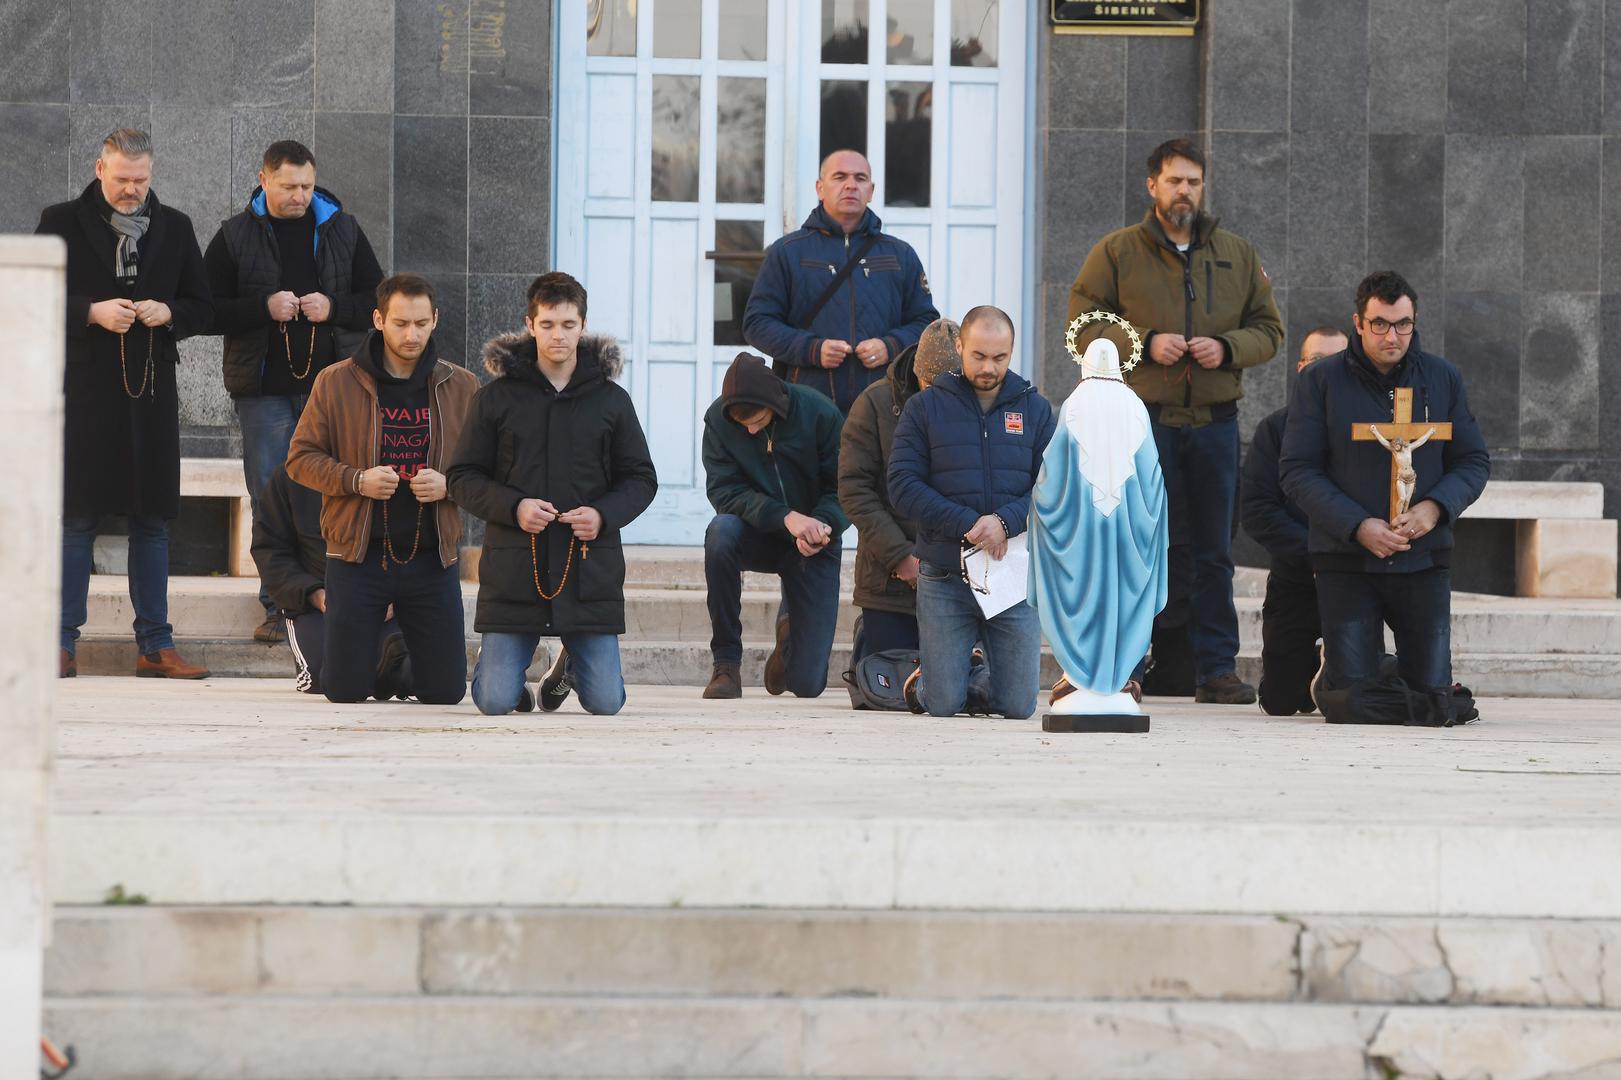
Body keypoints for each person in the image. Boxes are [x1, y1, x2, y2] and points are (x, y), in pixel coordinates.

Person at [1067, 138, 1283, 705]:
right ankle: (1127, 666)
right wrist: (1141, 343)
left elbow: (1270, 330)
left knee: (1214, 552)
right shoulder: (1117, 252)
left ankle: (1216, 670)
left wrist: (1227, 347)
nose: (1184, 191)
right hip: (1143, 423)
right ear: (1152, 186)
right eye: (1174, 181)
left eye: (1193, 181)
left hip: (1214, 424)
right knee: (1138, 544)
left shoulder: (1237, 254)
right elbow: (1081, 327)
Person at [38, 128, 213, 680]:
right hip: (86, 393)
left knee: (152, 520)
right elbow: (30, 294)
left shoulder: (176, 226)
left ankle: (155, 647)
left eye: (140, 179)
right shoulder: (61, 222)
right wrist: (89, 312)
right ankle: (59, 643)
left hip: (150, 393)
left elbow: (204, 305)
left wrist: (171, 313)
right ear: (100, 169)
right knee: (77, 518)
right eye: (121, 179)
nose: (131, 189)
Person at [448, 272, 658, 716]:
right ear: (530, 324)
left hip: (587, 569)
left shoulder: (611, 400)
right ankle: (502, 670)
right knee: (494, 701)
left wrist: (602, 515)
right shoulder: (494, 398)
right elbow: (462, 477)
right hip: (515, 570)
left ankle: (569, 666)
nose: (557, 335)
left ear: (583, 326)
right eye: (547, 324)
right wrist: (514, 507)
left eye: (567, 324)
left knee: (606, 702)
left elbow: (641, 478)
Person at [1279, 271, 1489, 706]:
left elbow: (1473, 461)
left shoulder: (1442, 378)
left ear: (1414, 322)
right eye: (1380, 324)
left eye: (1402, 324)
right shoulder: (1321, 381)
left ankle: (1409, 689)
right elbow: (1298, 469)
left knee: (1431, 691)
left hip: (1423, 556)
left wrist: (1434, 508)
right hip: (1346, 560)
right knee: (1352, 697)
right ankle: (1351, 677)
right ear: (1359, 323)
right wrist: (1357, 525)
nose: (1392, 336)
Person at [204, 140, 385, 643]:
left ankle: (338, 595)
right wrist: (262, 307)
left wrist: (334, 308)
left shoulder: (343, 229)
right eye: (288, 186)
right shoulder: (235, 234)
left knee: (337, 488)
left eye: (307, 186)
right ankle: (279, 605)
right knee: (270, 494)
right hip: (264, 391)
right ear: (264, 180)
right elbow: (205, 308)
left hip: (335, 391)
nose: (299, 196)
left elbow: (379, 299)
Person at [285, 273, 478, 705]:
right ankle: (378, 661)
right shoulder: (336, 381)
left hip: (431, 557)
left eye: (421, 323)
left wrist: (450, 485)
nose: (412, 335)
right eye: (400, 323)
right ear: (378, 320)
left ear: (435, 320)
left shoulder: (461, 385)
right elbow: (300, 459)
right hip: (358, 556)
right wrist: (357, 480)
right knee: (343, 691)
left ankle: (396, 664)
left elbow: (490, 468)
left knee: (446, 692)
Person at [888, 306, 1056, 719]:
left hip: (1012, 575)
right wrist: (969, 525)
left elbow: (1053, 488)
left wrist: (1004, 522)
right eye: (978, 355)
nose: (988, 367)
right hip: (945, 575)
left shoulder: (1035, 410)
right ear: (960, 346)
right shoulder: (924, 407)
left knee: (1019, 706)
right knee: (942, 704)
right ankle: (934, 680)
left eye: (1000, 357)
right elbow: (902, 486)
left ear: (1012, 352)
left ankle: (976, 676)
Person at [742, 148, 939, 414]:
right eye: (839, 177)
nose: (850, 185)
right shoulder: (787, 252)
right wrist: (812, 349)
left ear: (871, 191)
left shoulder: (900, 254)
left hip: (885, 405)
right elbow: (757, 324)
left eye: (860, 178)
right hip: (808, 407)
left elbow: (926, 322)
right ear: (820, 188)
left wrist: (890, 346)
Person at [1029, 336, 1168, 711]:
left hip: (1081, 533)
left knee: (1082, 591)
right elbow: (1152, 479)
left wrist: (1041, 506)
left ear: (1083, 366)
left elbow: (1052, 477)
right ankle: (1117, 679)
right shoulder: (1135, 405)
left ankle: (1080, 677)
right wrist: (1144, 516)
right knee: (1123, 599)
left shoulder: (1075, 404)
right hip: (1129, 532)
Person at [700, 352, 848, 699]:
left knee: (807, 686)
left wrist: (822, 525)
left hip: (815, 541)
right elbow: (724, 491)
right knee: (720, 533)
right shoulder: (718, 420)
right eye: (743, 425)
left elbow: (846, 486)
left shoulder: (820, 413)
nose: (751, 430)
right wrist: (784, 517)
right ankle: (726, 664)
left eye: (757, 421)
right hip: (758, 533)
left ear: (775, 405)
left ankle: (788, 634)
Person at [837, 317, 960, 661]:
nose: (941, 397)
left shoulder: (976, 403)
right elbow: (854, 489)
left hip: (955, 580)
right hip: (888, 580)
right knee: (892, 677)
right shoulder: (874, 403)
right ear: (918, 373)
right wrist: (901, 557)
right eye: (932, 385)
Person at [1241, 326, 1346, 716]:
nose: (1325, 371)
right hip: (1296, 576)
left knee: (1353, 692)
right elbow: (1257, 510)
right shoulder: (1275, 430)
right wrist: (1314, 554)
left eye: (1337, 362)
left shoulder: (1369, 431)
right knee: (1282, 701)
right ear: (1301, 367)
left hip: (1352, 579)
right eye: (1317, 361)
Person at [249, 463, 413, 699]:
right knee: (320, 676)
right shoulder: (293, 472)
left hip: (388, 597)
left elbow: (421, 543)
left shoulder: (395, 468)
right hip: (316, 601)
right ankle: (385, 676)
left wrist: (395, 596)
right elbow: (270, 550)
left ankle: (389, 674)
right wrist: (317, 596)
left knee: (410, 662)